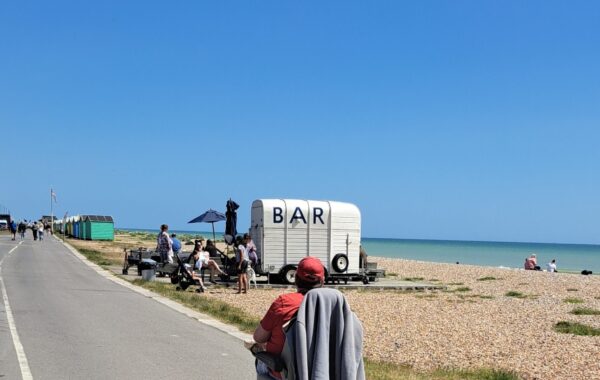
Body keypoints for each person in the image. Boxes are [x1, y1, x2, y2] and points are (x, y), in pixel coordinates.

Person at [252, 256, 325, 379]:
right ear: (322, 281)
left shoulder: (283, 303)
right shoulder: (331, 306)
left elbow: (258, 337)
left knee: (260, 362)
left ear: (295, 279)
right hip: (319, 371)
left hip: (283, 373)